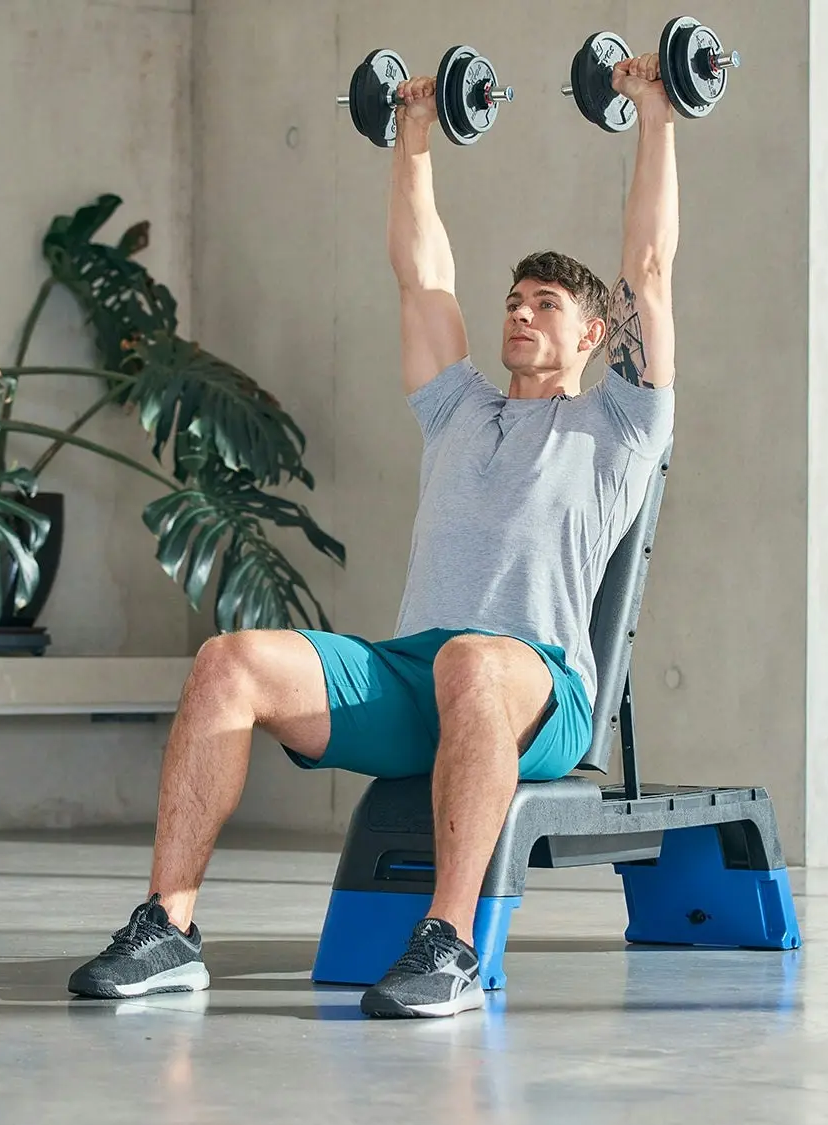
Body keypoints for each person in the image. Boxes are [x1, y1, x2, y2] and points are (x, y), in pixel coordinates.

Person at [67, 51, 677, 1018]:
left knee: (477, 660)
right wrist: (414, 137)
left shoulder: (620, 427)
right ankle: (168, 929)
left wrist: (654, 117)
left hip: (535, 686)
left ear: (596, 334)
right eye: (514, 300)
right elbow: (420, 273)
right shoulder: (458, 410)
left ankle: (448, 945)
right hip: (415, 677)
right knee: (231, 661)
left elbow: (647, 264)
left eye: (546, 305)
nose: (519, 312)